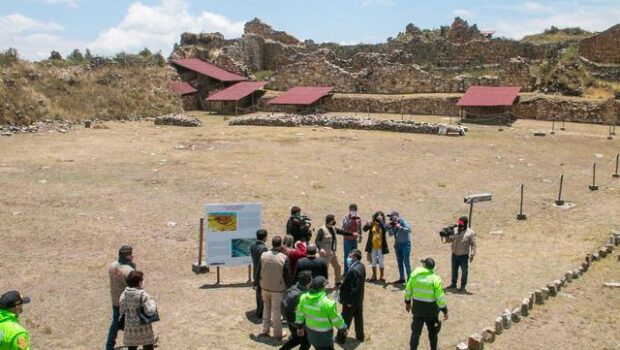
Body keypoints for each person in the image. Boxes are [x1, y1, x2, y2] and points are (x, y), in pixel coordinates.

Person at [404, 258, 448, 350]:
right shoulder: (435, 279)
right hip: (431, 311)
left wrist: (408, 303)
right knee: (433, 332)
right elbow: (439, 297)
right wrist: (444, 310)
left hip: (417, 309)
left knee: (415, 332)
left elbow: (408, 291)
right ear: (433, 268)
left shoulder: (414, 276)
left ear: (424, 266)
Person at [295, 276, 347, 350]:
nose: (326, 288)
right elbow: (337, 320)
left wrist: (299, 327)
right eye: (325, 286)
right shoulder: (328, 304)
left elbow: (299, 313)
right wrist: (344, 328)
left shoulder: (303, 298)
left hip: (311, 336)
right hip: (325, 339)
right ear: (322, 288)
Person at [257, 235, 293, 339]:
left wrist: (257, 283)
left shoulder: (263, 254)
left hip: (264, 286)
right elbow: (287, 275)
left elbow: (258, 270)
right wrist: (289, 288)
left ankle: (265, 330)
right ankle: (277, 333)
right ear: (280, 244)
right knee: (276, 311)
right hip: (277, 289)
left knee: (266, 308)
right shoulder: (283, 257)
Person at [106, 245, 136, 350]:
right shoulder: (128, 270)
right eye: (131, 254)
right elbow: (134, 287)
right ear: (127, 256)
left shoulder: (112, 266)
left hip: (115, 300)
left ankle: (109, 346)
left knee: (114, 324)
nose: (133, 256)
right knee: (133, 326)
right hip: (127, 303)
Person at [119, 270, 158, 350]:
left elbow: (122, 310)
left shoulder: (124, 294)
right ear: (139, 282)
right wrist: (153, 303)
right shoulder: (143, 295)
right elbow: (149, 311)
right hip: (144, 329)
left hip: (130, 329)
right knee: (148, 347)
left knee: (132, 348)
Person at [316, 214, 358, 286]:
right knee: (324, 270)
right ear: (330, 221)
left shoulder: (333, 228)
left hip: (332, 253)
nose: (335, 221)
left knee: (337, 267)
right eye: (333, 220)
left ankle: (337, 281)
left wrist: (352, 234)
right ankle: (322, 285)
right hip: (325, 254)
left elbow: (343, 232)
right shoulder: (322, 230)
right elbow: (317, 241)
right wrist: (321, 249)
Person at [280, 270, 313, 350]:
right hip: (299, 324)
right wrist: (300, 327)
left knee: (296, 339)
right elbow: (300, 313)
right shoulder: (302, 295)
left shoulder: (293, 288)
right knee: (306, 344)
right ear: (309, 282)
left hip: (289, 320)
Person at [444, 216, 477, 293]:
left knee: (464, 271)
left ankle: (462, 286)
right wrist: (446, 237)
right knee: (454, 270)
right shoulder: (455, 230)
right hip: (454, 254)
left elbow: (473, 244)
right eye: (459, 224)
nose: (459, 226)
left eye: (461, 225)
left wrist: (472, 254)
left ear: (465, 224)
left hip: (463, 256)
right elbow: (450, 240)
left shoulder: (470, 233)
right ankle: (453, 284)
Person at [339, 249, 366, 342]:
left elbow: (354, 288)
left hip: (351, 301)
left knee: (345, 319)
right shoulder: (361, 266)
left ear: (355, 257)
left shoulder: (354, 270)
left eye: (350, 257)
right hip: (359, 299)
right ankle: (360, 336)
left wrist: (349, 302)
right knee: (359, 318)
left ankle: (341, 338)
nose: (348, 258)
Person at [387, 211, 412, 285]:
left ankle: (410, 281)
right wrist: (389, 229)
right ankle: (402, 278)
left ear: (397, 216)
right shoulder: (392, 224)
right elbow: (391, 235)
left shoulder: (403, 221)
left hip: (405, 244)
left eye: (392, 217)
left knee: (406, 262)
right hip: (397, 245)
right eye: (390, 218)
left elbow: (409, 230)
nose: (391, 219)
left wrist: (400, 227)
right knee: (399, 262)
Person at [363, 211, 389, 281]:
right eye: (378, 216)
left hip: (381, 247)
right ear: (375, 217)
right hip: (373, 247)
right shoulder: (372, 224)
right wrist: (367, 225)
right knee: (373, 261)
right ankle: (374, 275)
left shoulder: (384, 224)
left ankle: (382, 276)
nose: (379, 217)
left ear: (383, 217)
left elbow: (385, 229)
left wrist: (381, 222)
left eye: (381, 216)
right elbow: (364, 230)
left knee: (381, 261)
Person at [251, 229, 269, 319]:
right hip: (261, 273)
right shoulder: (263, 248)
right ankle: (260, 312)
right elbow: (264, 263)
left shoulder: (253, 245)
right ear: (265, 237)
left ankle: (259, 310)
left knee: (259, 293)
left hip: (255, 271)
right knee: (262, 294)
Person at [342, 204, 363, 273]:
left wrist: (360, 236)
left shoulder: (359, 218)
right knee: (347, 256)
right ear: (350, 210)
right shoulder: (346, 217)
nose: (353, 211)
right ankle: (346, 272)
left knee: (355, 256)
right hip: (347, 239)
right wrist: (351, 220)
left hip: (354, 240)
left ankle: (353, 271)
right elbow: (345, 227)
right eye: (352, 210)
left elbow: (360, 228)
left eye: (354, 210)